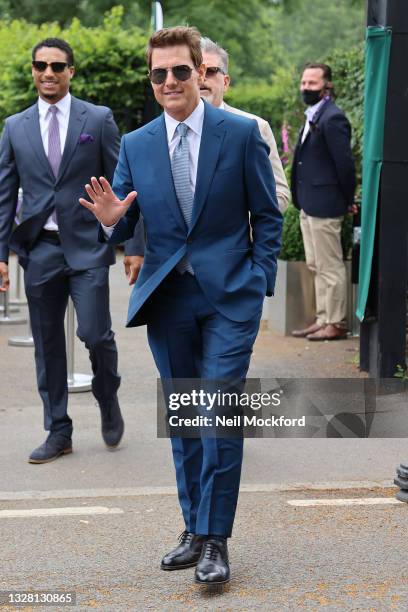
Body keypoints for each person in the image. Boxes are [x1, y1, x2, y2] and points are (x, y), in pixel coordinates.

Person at [80, 26, 282, 585]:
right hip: (169, 300)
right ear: (152, 80)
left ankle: (217, 538)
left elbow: (268, 216)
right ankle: (193, 528)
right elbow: (122, 216)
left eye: (180, 71)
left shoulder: (240, 135)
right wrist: (110, 223)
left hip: (229, 299)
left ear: (201, 71)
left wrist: (258, 278)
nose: (169, 81)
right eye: (158, 73)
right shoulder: (139, 143)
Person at [0, 38, 144, 463]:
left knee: (96, 334)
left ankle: (107, 394)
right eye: (41, 65)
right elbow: (5, 192)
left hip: (87, 246)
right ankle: (58, 430)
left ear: (71, 71)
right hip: (40, 249)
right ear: (33, 70)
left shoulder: (97, 119)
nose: (49, 72)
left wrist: (133, 242)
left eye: (58, 66)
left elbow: (124, 186)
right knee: (47, 344)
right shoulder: (15, 126)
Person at [291, 62, 356, 341]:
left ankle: (337, 323)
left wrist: (346, 198)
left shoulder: (333, 118)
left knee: (330, 267)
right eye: (304, 83)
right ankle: (323, 318)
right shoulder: (313, 114)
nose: (306, 88)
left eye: (312, 84)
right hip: (308, 203)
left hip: (326, 203)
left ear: (327, 86)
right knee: (316, 265)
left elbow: (345, 164)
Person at [199, 37, 290, 213]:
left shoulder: (256, 127)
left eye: (210, 71)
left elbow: (280, 194)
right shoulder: (173, 130)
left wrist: (241, 222)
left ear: (225, 82)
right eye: (196, 72)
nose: (202, 79)